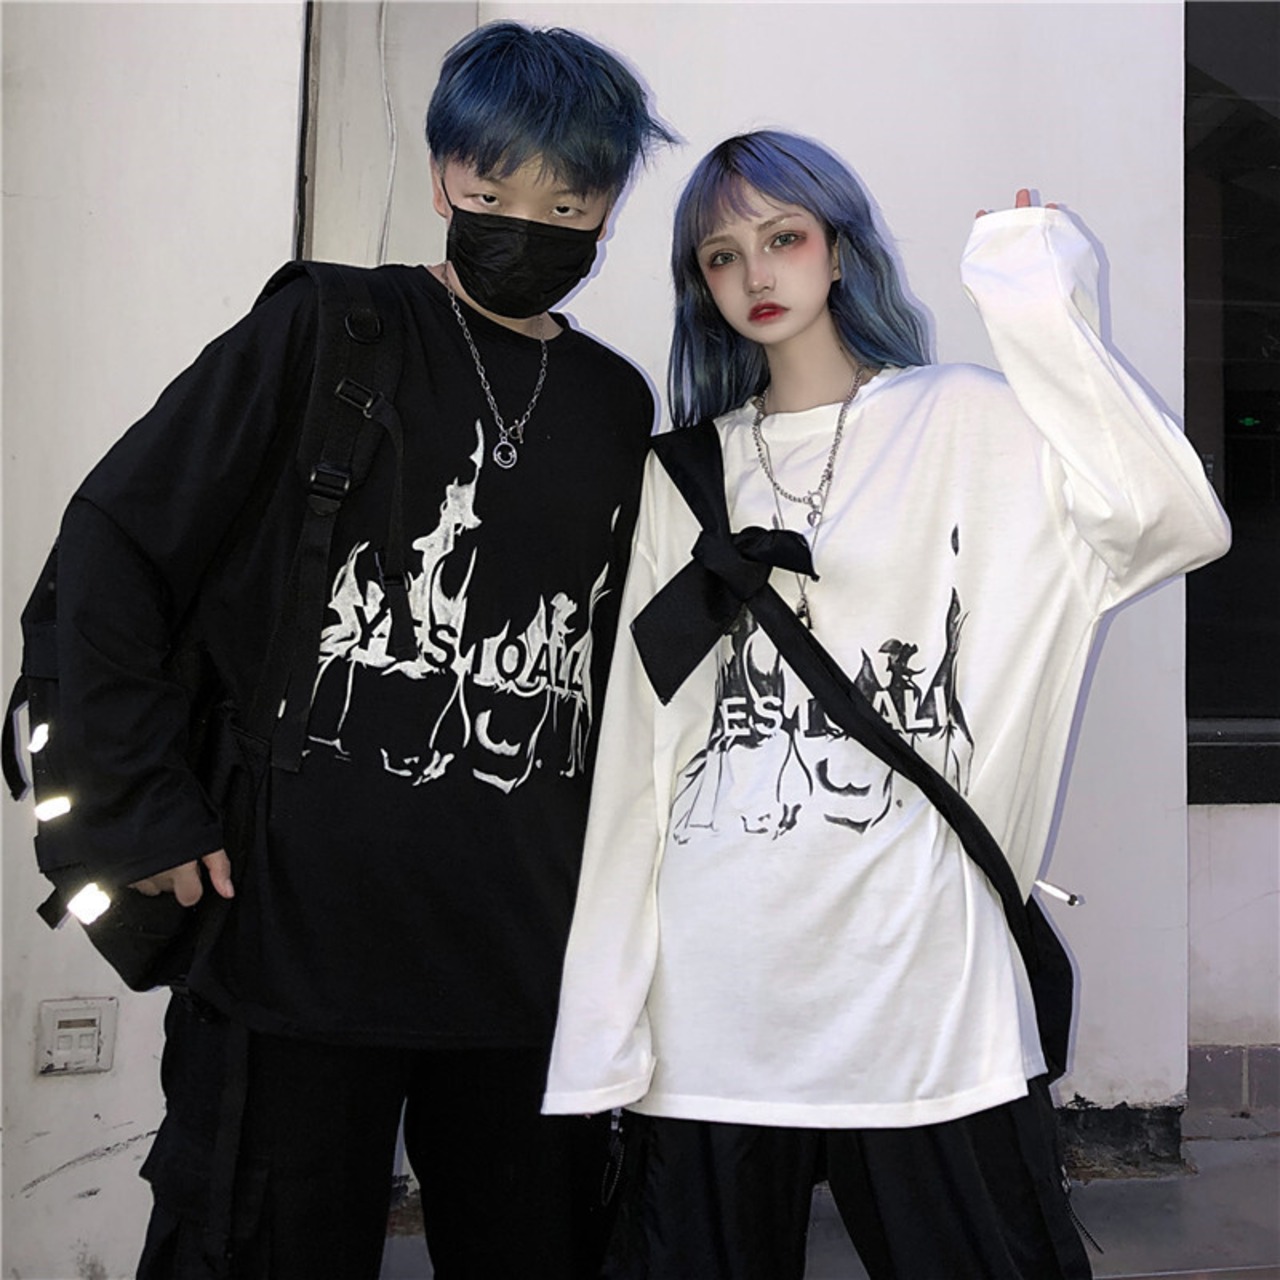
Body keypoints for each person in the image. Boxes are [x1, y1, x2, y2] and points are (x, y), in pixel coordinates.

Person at [543, 131, 1231, 1278]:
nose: (755, 273)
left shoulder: (958, 420)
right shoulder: (683, 475)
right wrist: (604, 1019)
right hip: (716, 990)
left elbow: (1172, 521)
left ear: (837, 249)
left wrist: (1032, 296)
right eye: (721, 254)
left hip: (919, 981)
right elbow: (638, 759)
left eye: (781, 237)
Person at [53, 21, 673, 1279]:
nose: (527, 225)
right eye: (494, 193)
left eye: (567, 204)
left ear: (608, 206)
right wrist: (140, 806)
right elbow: (115, 545)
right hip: (293, 942)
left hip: (525, 962)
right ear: (443, 175)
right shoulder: (331, 329)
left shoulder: (615, 404)